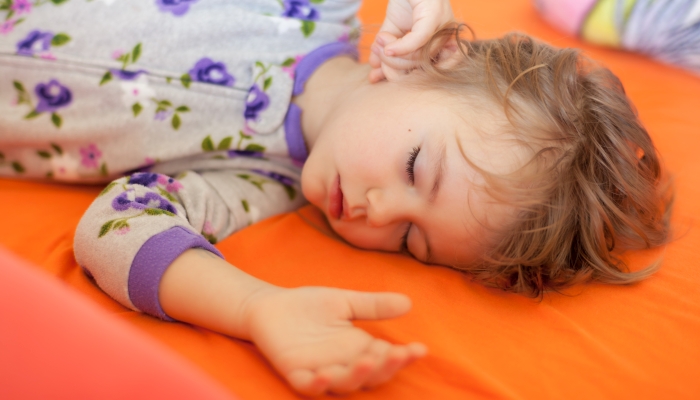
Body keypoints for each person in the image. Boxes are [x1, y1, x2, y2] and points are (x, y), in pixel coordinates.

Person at [0, 0, 672, 395]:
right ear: (438, 61)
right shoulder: (315, 12)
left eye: (412, 239)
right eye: (417, 168)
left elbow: (114, 230)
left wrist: (259, 308)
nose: (379, 211)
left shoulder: (257, 184)